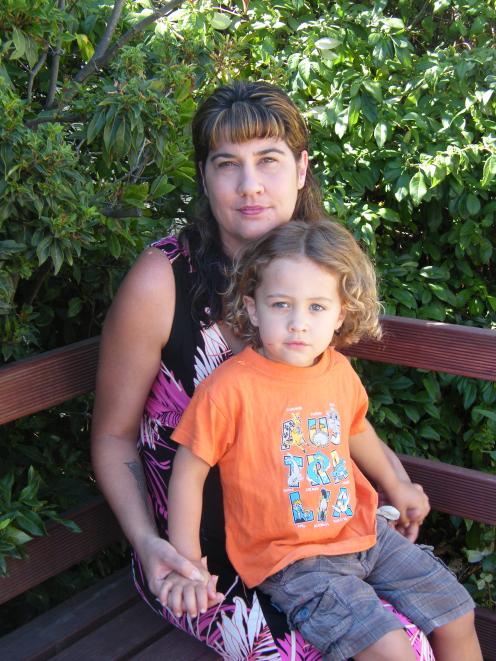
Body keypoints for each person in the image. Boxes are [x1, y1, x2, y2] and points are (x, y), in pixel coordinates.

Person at [91, 81, 433, 659]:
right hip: (198, 566)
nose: (249, 185)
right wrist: (151, 546)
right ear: (205, 177)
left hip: (315, 543)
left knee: (424, 637)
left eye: (268, 161)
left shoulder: (311, 272)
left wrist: (393, 483)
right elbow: (111, 435)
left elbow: (334, 417)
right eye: (228, 164)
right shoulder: (161, 281)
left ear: (301, 169)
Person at [168, 219, 481, 661]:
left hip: (366, 533)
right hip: (294, 560)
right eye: (281, 305)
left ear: (340, 314)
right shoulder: (230, 389)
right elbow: (188, 470)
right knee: (391, 652)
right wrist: (187, 562)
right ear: (253, 308)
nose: (298, 324)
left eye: (317, 307)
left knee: (457, 615)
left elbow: (356, 430)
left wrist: (398, 485)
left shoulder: (336, 370)